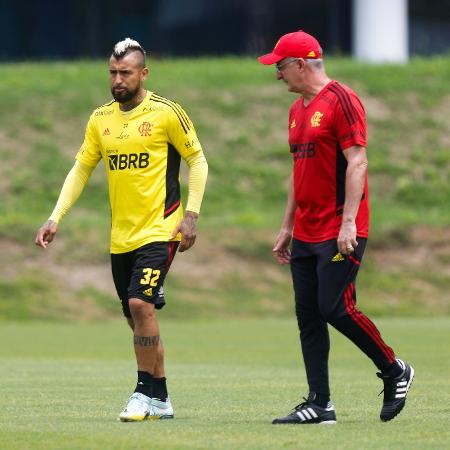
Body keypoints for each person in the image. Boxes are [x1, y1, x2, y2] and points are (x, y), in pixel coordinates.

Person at [35, 38, 208, 422]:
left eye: (125, 72)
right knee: (137, 320)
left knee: (140, 304)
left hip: (161, 229)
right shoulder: (101, 119)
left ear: (143, 73)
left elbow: (197, 160)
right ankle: (161, 397)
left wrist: (191, 215)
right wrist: (55, 217)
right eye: (112, 72)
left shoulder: (166, 112)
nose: (117, 79)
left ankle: (143, 393)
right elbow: (81, 169)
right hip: (121, 236)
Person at [258, 30, 414, 424]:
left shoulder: (342, 100)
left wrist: (348, 222)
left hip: (341, 228)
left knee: (335, 307)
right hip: (306, 231)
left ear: (300, 64)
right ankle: (319, 403)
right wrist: (286, 226)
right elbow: (300, 172)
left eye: (280, 66)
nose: (277, 75)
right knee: (308, 315)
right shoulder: (296, 111)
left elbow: (358, 162)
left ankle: (394, 369)